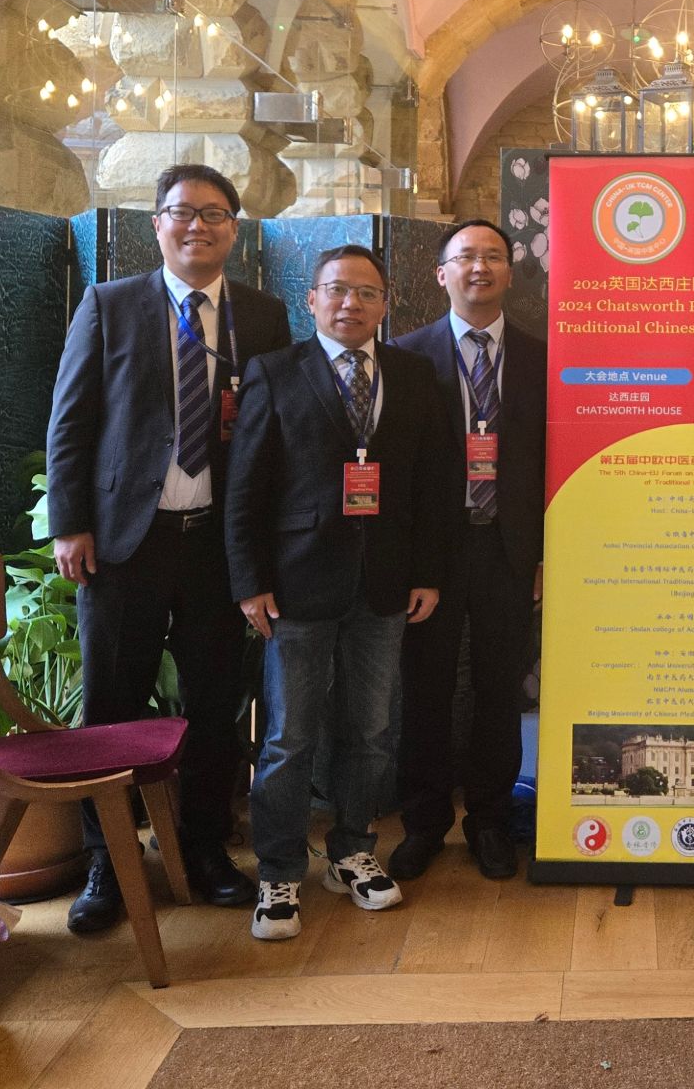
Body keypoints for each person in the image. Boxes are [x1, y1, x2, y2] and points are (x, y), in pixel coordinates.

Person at [45, 164, 292, 934]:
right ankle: (107, 861)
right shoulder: (109, 305)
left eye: (215, 214)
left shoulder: (264, 316)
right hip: (125, 543)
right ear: (156, 224)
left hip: (218, 547)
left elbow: (274, 437)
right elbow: (71, 421)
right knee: (111, 706)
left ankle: (205, 848)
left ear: (235, 231)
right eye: (183, 212)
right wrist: (69, 523)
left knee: (216, 707)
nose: (198, 226)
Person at [227, 244, 451, 942]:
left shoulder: (412, 374)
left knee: (372, 731)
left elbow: (431, 482)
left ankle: (353, 850)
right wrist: (249, 583)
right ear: (313, 299)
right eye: (337, 290)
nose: (351, 303)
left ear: (386, 305)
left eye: (367, 293)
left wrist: (428, 571)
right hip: (295, 586)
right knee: (289, 736)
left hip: (385, 584)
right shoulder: (274, 372)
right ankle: (279, 871)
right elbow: (245, 486)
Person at [388, 219, 547, 882]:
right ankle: (423, 824)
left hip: (511, 551)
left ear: (510, 272)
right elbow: (396, 467)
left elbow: (552, 464)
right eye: (465, 257)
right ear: (441, 274)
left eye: (492, 257)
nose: (479, 267)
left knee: (497, 689)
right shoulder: (404, 356)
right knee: (424, 690)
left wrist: (544, 553)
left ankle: (488, 820)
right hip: (433, 555)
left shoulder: (542, 358)